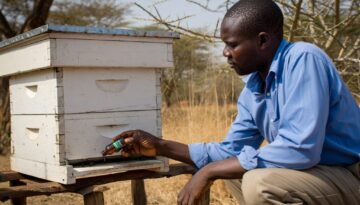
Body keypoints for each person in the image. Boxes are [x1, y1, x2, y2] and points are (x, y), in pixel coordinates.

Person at [112, 0, 360, 204]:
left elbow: (301, 148)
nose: (225, 53)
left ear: (262, 41)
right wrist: (159, 145)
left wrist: (209, 171)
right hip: (318, 172)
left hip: (350, 172)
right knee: (232, 168)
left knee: (259, 184)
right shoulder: (254, 87)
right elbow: (233, 151)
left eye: (232, 44)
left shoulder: (303, 59)